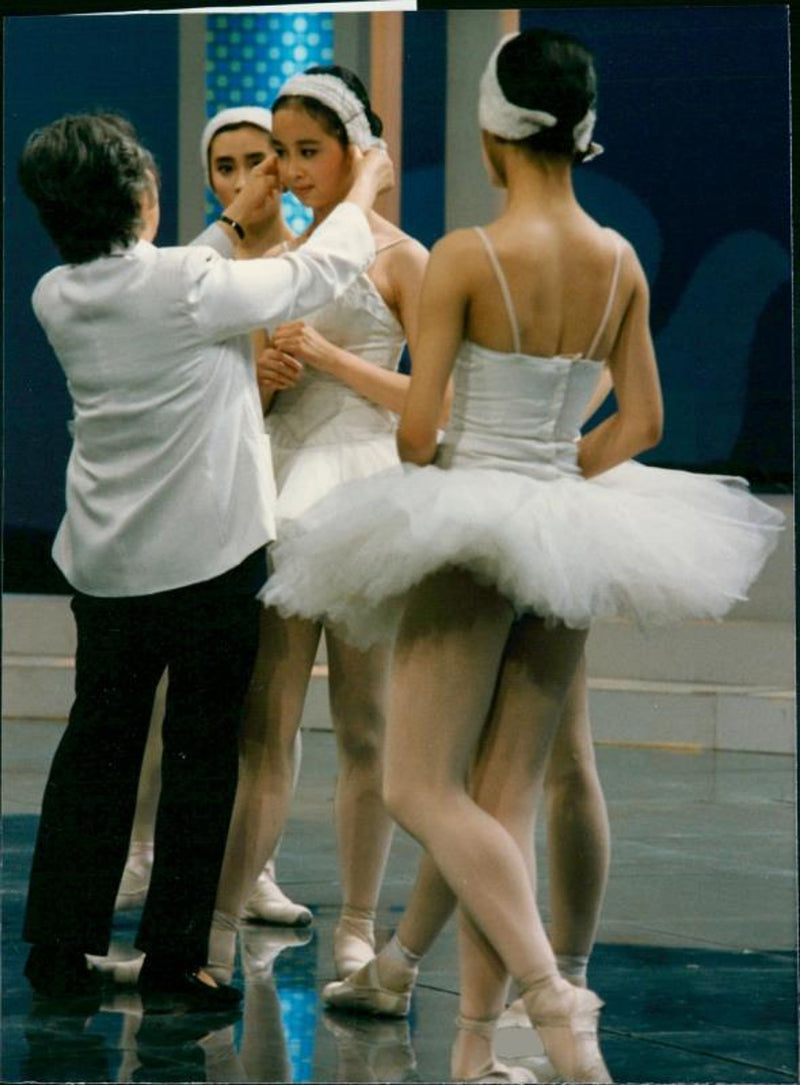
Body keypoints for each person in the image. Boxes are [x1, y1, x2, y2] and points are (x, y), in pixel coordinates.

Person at [260, 29, 783, 1081]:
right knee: (501, 791)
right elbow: (639, 419)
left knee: (417, 782)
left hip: (469, 520)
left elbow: (417, 432)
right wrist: (554, 474)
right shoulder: (617, 260)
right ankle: (469, 1042)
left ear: (492, 135)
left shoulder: (465, 252)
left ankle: (551, 1001)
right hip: (563, 519)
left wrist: (473, 471)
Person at [18, 109, 393, 1010]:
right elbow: (320, 269)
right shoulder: (195, 281)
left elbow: (176, 275)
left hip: (106, 566)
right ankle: (179, 956)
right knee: (200, 754)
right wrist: (369, 181)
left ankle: (57, 951)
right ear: (144, 196)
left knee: (95, 753)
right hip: (209, 561)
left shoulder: (55, 294)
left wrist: (232, 219)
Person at [203, 65, 431, 986]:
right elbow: (230, 404)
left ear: (355, 152)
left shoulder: (404, 258)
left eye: (307, 152)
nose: (291, 172)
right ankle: (220, 920)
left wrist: (332, 356)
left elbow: (432, 403)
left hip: (367, 486)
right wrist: (261, 384)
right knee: (268, 724)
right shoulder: (273, 266)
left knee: (368, 728)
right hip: (282, 485)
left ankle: (358, 924)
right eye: (281, 154)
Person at [114, 105, 311, 929]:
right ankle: (141, 847)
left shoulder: (313, 266)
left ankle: (254, 862)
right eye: (224, 166)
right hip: (210, 491)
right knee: (179, 697)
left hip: (296, 485)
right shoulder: (192, 264)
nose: (243, 179)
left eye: (256, 161)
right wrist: (251, 382)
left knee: (270, 703)